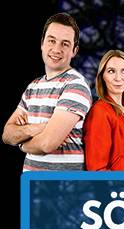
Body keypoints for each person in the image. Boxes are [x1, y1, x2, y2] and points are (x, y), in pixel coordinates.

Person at [3, 13, 90, 171]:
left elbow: (47, 144)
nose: (56, 49)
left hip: (64, 188)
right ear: (42, 43)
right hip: (33, 186)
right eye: (52, 40)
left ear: (74, 51)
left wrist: (21, 143)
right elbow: (7, 134)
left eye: (65, 44)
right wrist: (36, 128)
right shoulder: (33, 87)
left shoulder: (76, 85)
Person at [83, 48, 124, 170]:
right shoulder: (100, 112)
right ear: (102, 77)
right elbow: (97, 170)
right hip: (121, 188)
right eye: (111, 71)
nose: (119, 78)